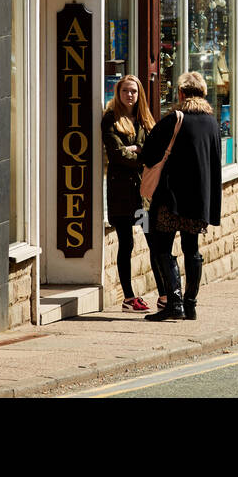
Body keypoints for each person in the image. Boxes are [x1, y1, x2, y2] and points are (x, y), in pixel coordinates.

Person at [141, 71, 223, 322]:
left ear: (180, 93)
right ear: (203, 93)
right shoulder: (211, 123)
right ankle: (191, 305)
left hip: (170, 200)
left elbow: (148, 154)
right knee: (192, 249)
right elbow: (216, 164)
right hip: (199, 201)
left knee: (162, 247)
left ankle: (173, 302)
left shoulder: (174, 119)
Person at [101, 74, 164, 313]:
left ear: (139, 95)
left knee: (154, 242)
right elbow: (117, 154)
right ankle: (128, 298)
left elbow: (155, 151)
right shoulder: (110, 119)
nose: (130, 95)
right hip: (121, 193)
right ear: (118, 93)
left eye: (134, 91)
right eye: (126, 90)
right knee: (126, 243)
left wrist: (138, 150)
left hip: (144, 193)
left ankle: (165, 295)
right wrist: (140, 154)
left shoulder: (145, 119)